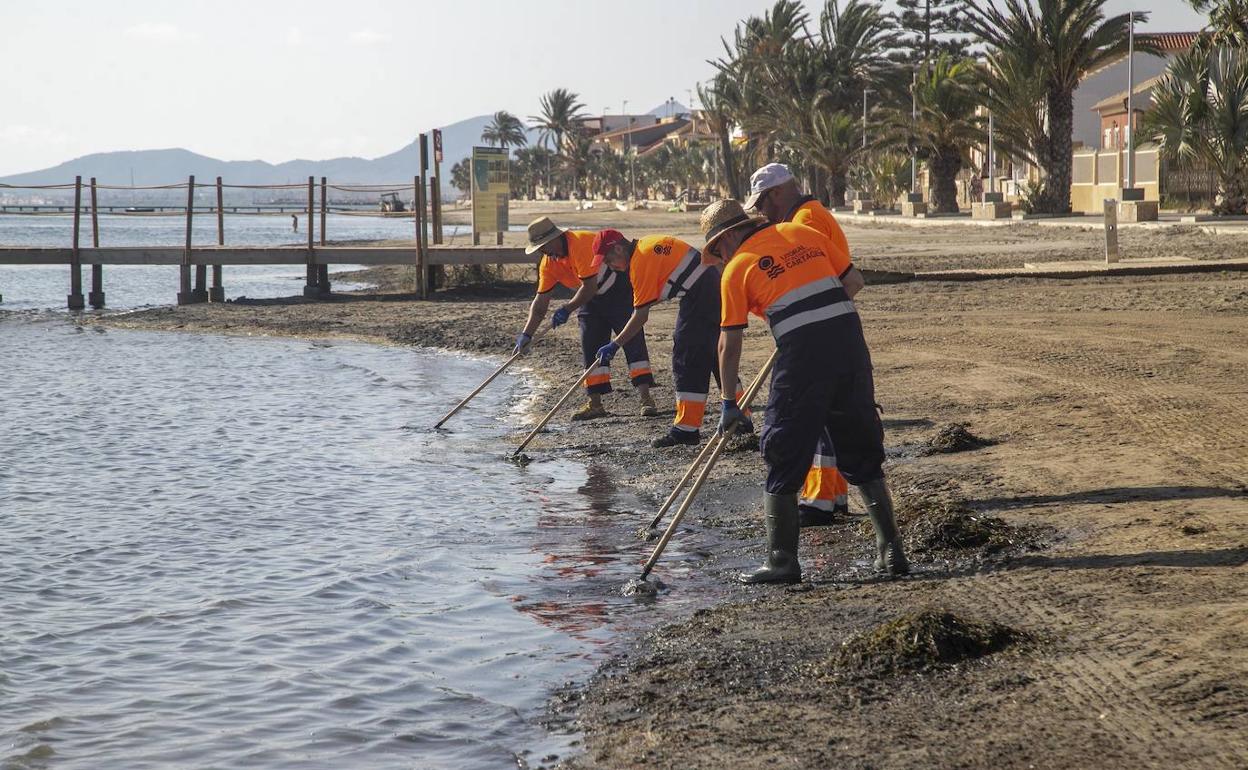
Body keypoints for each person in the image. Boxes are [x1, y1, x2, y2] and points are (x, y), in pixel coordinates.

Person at [699, 199, 908, 584]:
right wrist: (818, 318)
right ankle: (891, 551)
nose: (720, 256)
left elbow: (728, 344)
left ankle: (782, 562)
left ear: (727, 237)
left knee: (783, 449)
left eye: (717, 249)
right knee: (861, 447)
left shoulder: (738, 269)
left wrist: (729, 402)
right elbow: (854, 281)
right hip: (850, 347)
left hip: (803, 362)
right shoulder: (804, 233)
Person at [744, 162, 864, 526]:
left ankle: (822, 501)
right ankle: (832, 497)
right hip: (826, 330)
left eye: (763, 203)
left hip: (820, 334)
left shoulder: (804, 223)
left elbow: (843, 280)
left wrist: (809, 323)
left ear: (778, 192)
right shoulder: (810, 214)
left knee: (820, 417)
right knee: (831, 415)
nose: (762, 213)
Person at [590, 229, 743, 447]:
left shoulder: (639, 263)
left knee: (686, 358)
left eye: (608, 259)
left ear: (618, 248)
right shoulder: (647, 243)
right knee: (716, 355)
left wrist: (615, 344)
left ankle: (686, 430)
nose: (610, 266)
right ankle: (741, 420)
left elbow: (640, 315)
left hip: (701, 295)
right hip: (713, 287)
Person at [517, 217, 657, 419]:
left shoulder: (580, 243)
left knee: (632, 341)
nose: (543, 252)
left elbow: (590, 286)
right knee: (591, 346)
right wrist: (527, 333)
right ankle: (595, 404)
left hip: (617, 290)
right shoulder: (548, 263)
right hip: (589, 300)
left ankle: (646, 398)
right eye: (540, 249)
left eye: (543, 247)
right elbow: (540, 303)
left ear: (555, 239)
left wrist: (567, 308)